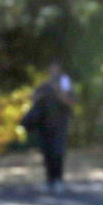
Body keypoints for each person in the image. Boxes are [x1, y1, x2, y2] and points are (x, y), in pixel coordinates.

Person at [24, 61, 77, 193]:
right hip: (44, 125)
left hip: (60, 124)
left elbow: (71, 101)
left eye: (56, 69)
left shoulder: (65, 83)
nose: (53, 72)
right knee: (47, 153)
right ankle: (49, 180)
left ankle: (58, 180)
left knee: (58, 153)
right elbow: (33, 98)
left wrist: (58, 91)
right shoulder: (44, 85)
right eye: (51, 69)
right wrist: (43, 93)